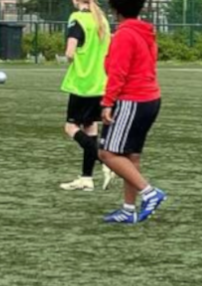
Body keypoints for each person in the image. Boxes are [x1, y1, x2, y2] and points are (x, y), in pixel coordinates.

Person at [96, 0, 165, 224]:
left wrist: (108, 103)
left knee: (107, 153)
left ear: (114, 10)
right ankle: (128, 209)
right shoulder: (145, 31)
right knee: (130, 155)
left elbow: (118, 72)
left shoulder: (124, 35)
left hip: (132, 100)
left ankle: (149, 193)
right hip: (150, 99)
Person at [58, 0, 112, 191]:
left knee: (70, 127)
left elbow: (70, 52)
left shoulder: (77, 18)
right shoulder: (102, 20)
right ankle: (86, 178)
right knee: (90, 128)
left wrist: (70, 57)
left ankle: (107, 162)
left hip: (83, 83)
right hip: (101, 83)